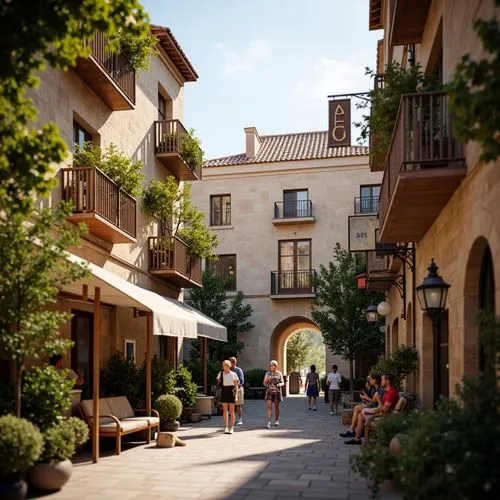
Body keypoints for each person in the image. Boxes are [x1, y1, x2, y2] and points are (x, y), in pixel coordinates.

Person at [344, 373, 399, 445]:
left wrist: (377, 400)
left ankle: (357, 437)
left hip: (385, 415)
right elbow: (379, 404)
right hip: (380, 411)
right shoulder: (387, 391)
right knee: (360, 413)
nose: (381, 381)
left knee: (360, 412)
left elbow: (384, 410)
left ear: (387, 381)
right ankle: (357, 438)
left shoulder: (391, 393)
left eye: (382, 380)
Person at [340, 373, 383, 438]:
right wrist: (366, 400)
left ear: (374, 380)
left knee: (357, 408)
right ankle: (353, 430)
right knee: (357, 408)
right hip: (372, 406)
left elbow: (374, 401)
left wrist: (365, 398)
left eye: (370, 379)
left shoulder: (379, 389)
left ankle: (353, 430)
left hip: (375, 408)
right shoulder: (375, 388)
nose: (369, 381)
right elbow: (373, 401)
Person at [216, 360, 239, 434]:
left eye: (226, 365)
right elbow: (218, 382)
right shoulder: (221, 373)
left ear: (229, 366)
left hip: (231, 391)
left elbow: (236, 386)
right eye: (223, 365)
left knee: (232, 411)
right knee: (225, 410)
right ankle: (226, 427)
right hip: (224, 391)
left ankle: (232, 427)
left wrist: (236, 395)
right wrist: (219, 380)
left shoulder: (233, 374)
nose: (224, 367)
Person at [263, 360, 284, 429]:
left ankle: (277, 420)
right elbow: (264, 383)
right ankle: (269, 422)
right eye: (270, 365)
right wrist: (267, 379)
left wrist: (279, 384)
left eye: (272, 365)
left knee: (276, 407)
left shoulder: (279, 373)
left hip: (277, 392)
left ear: (276, 366)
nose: (271, 366)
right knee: (269, 407)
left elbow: (282, 382)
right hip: (269, 392)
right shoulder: (267, 374)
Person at [229, 356, 244, 425]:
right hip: (229, 389)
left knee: (238, 405)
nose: (231, 363)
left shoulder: (238, 370)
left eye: (232, 362)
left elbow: (241, 381)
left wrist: (236, 388)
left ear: (235, 362)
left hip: (238, 389)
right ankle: (232, 419)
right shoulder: (227, 370)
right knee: (231, 405)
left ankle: (240, 419)